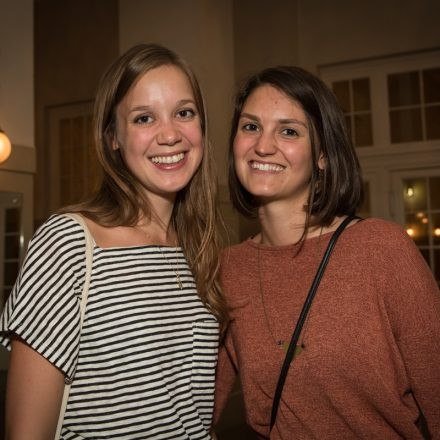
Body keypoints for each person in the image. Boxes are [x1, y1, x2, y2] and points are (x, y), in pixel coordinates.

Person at [1, 43, 227, 439]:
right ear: (113, 139)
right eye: (144, 118)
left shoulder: (198, 249)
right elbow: (26, 432)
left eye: (184, 112)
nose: (170, 134)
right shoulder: (69, 242)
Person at [214, 66, 440, 439]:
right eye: (250, 126)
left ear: (322, 156)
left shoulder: (381, 250)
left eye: (289, 131)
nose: (263, 146)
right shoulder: (228, 269)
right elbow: (191, 405)